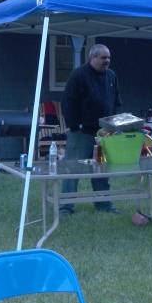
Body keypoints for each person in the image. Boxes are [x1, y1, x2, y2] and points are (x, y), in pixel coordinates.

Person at [60, 44, 122, 214]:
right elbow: (68, 102)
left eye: (108, 58)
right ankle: (65, 207)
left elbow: (116, 101)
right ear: (93, 58)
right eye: (103, 58)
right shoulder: (79, 75)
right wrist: (75, 126)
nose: (107, 61)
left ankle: (104, 204)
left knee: (101, 169)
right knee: (73, 168)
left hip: (103, 134)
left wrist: (114, 124)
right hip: (81, 134)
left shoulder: (111, 76)